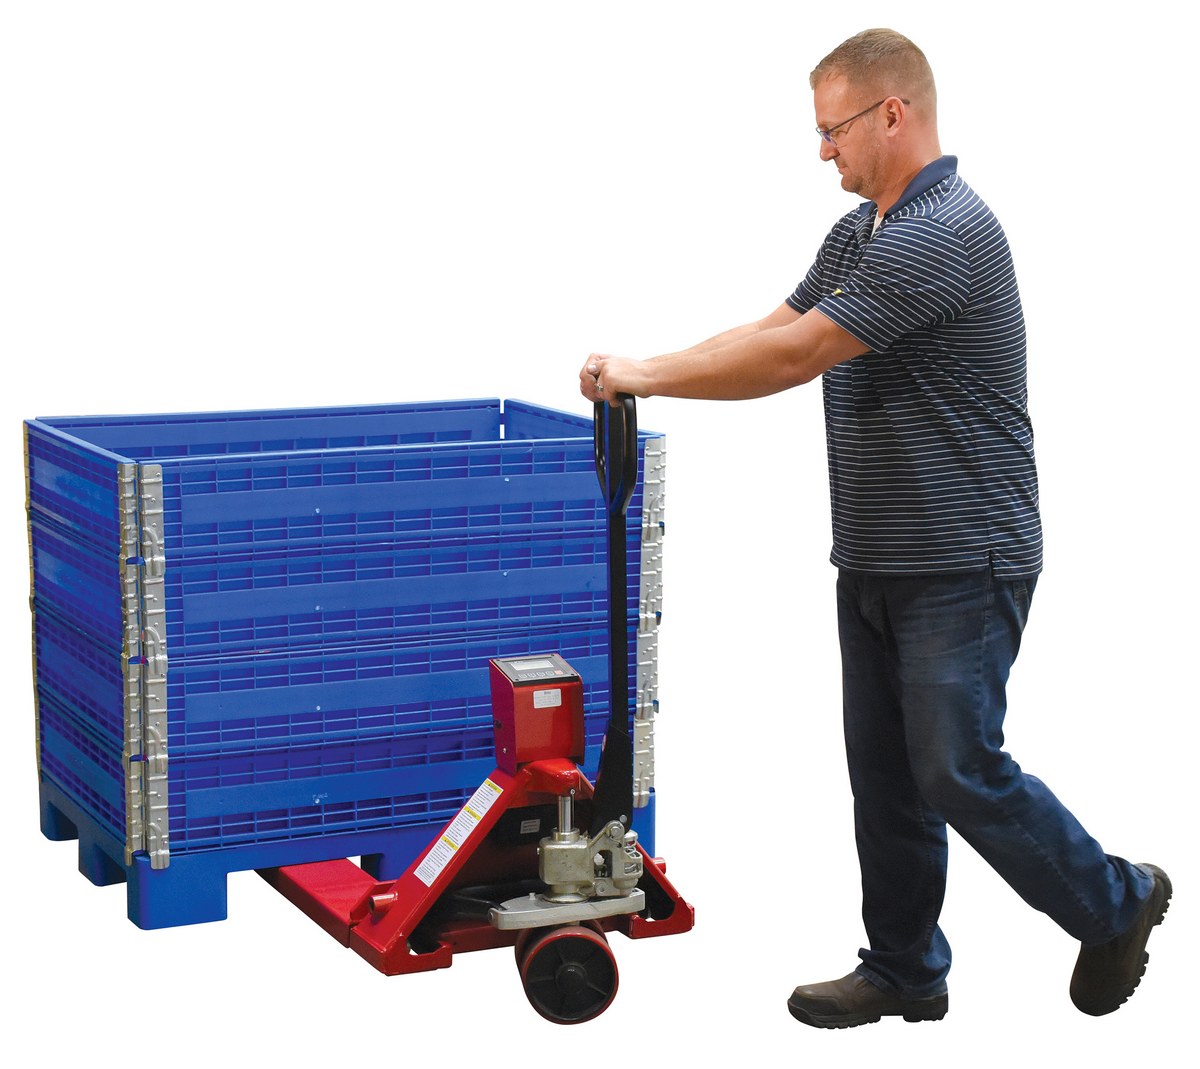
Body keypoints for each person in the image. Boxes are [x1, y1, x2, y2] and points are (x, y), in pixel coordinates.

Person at [578, 28, 1170, 1028]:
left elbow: (794, 357)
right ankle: (904, 968)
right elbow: (770, 327)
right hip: (879, 553)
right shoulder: (863, 232)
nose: (823, 151)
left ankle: (1118, 900)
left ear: (894, 114)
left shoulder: (944, 231)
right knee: (888, 779)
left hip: (962, 557)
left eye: (834, 129)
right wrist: (646, 362)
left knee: (956, 768)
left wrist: (647, 377)